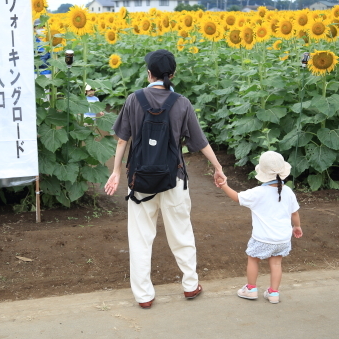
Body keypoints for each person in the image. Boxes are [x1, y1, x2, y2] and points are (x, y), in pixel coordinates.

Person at [104, 49, 227, 309]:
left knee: (140, 238)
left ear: (149, 73)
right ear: (173, 74)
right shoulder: (181, 103)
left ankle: (144, 296)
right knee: (181, 233)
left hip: (140, 182)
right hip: (175, 180)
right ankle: (190, 285)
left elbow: (122, 141)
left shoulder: (133, 100)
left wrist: (115, 172)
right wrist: (217, 167)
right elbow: (200, 142)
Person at [218, 151, 303, 304]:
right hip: (282, 239)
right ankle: (274, 293)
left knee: (253, 260)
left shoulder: (258, 192)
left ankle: (251, 289)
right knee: (276, 263)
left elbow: (238, 197)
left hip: (262, 238)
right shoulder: (288, 192)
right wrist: (297, 226)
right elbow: (294, 213)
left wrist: (224, 186)